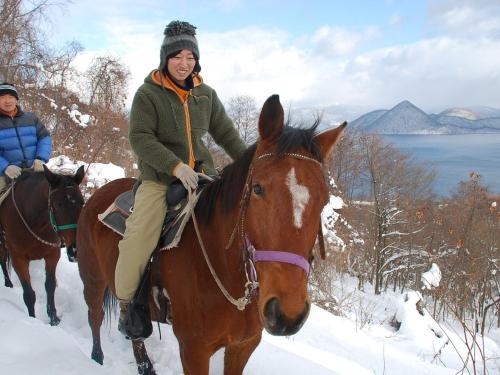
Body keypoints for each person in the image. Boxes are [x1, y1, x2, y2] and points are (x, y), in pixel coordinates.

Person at [115, 20, 247, 336]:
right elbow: (140, 138)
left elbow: (226, 133)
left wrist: (250, 162)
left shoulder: (206, 95)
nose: (184, 63)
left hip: (204, 178)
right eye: (177, 56)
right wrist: (175, 166)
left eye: (190, 57)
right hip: (161, 179)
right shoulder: (148, 94)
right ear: (165, 58)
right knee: (139, 237)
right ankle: (126, 304)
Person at [0, 82, 52, 192]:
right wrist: (5, 167)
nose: (7, 101)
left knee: (58, 193)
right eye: (3, 97)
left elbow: (45, 138)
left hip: (35, 170)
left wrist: (40, 158)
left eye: (11, 97)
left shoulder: (31, 118)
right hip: (7, 175)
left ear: (16, 99)